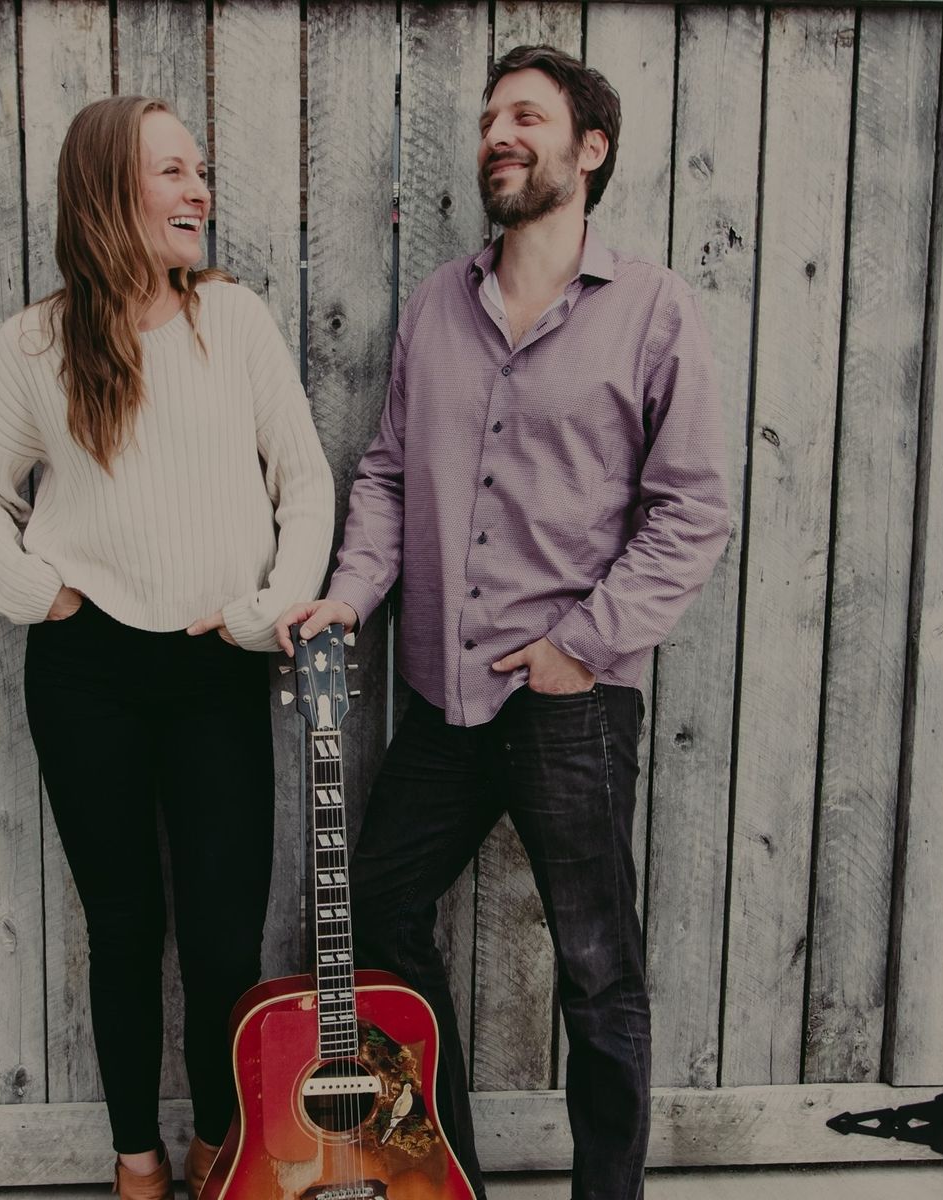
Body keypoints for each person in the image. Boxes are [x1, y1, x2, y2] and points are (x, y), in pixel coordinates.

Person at [277, 45, 729, 1200]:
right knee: (380, 905)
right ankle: (448, 1176)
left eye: (525, 115)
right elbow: (384, 474)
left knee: (595, 971)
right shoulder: (438, 305)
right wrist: (351, 593)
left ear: (591, 149)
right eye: (488, 119)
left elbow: (693, 513)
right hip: (443, 692)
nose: (497, 134)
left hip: (571, 702)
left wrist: (584, 643)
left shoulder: (654, 312)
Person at [0, 96, 333, 1200]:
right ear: (111, 189)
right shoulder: (35, 344)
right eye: (173, 171)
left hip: (215, 665)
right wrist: (33, 586)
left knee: (223, 940)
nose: (199, 191)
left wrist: (269, 609)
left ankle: (220, 1144)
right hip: (90, 676)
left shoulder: (237, 323)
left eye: (201, 170)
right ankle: (135, 1159)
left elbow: (304, 484)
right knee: (123, 929)